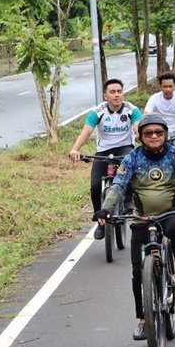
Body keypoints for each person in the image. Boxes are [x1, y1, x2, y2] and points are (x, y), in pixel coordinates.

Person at [94, 114, 175, 340]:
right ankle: (142, 320)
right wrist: (106, 209)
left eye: (158, 132)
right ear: (140, 137)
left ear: (166, 134)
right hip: (142, 218)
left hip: (172, 213)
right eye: (148, 133)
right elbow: (118, 186)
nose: (154, 136)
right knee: (138, 271)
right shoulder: (132, 159)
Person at [69, 78, 142, 239]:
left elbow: (138, 128)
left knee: (128, 171)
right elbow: (86, 132)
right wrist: (75, 149)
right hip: (104, 151)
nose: (117, 95)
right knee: (95, 185)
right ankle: (99, 219)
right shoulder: (97, 112)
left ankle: (128, 201)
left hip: (125, 148)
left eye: (119, 91)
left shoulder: (132, 110)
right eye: (112, 92)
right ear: (105, 95)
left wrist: (140, 136)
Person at [144, 72, 175, 149]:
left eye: (170, 86)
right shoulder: (154, 98)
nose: (168, 89)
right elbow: (145, 116)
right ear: (160, 86)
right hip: (161, 134)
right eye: (165, 86)